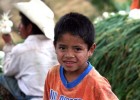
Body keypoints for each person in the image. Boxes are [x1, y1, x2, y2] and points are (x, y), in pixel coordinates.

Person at [43, 12, 119, 100]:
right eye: (63, 48)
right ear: (55, 46)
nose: (69, 55)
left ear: (90, 49)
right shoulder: (52, 74)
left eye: (77, 49)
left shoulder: (97, 85)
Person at [0, 0, 58, 99]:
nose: (19, 27)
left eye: (21, 23)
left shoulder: (21, 49)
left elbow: (7, 70)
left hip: (33, 97)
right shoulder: (56, 46)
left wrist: (9, 45)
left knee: (2, 78)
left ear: (29, 28)